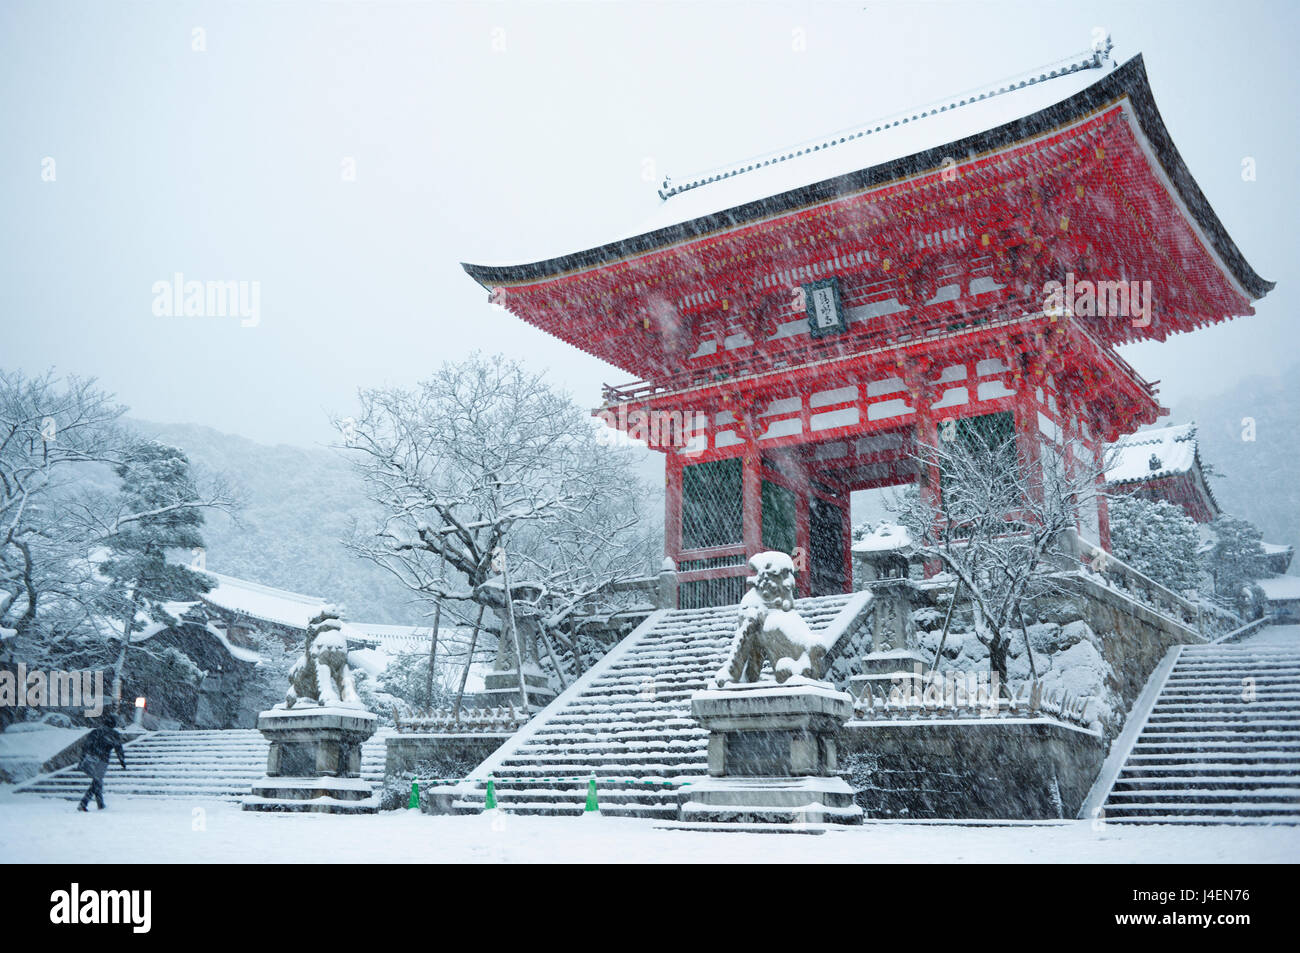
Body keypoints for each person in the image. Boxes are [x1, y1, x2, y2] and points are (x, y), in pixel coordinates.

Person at [77, 712, 127, 811]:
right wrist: (122, 761)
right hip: (102, 761)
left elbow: (86, 746)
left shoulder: (95, 732)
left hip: (90, 758)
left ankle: (100, 804)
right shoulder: (114, 734)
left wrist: (82, 759)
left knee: (97, 781)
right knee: (97, 781)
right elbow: (118, 748)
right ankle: (84, 803)